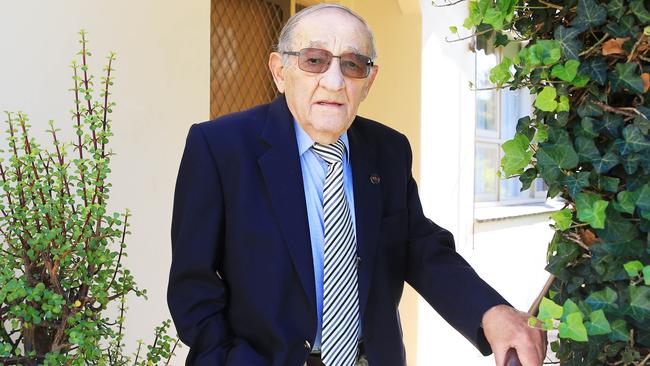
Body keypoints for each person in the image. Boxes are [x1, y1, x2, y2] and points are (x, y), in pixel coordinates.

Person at [167, 3, 545, 366]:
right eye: (314, 60)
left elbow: (420, 248)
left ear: (369, 80)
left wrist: (489, 311)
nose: (334, 81)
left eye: (352, 65)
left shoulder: (389, 150)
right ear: (280, 71)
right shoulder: (219, 147)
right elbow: (193, 284)